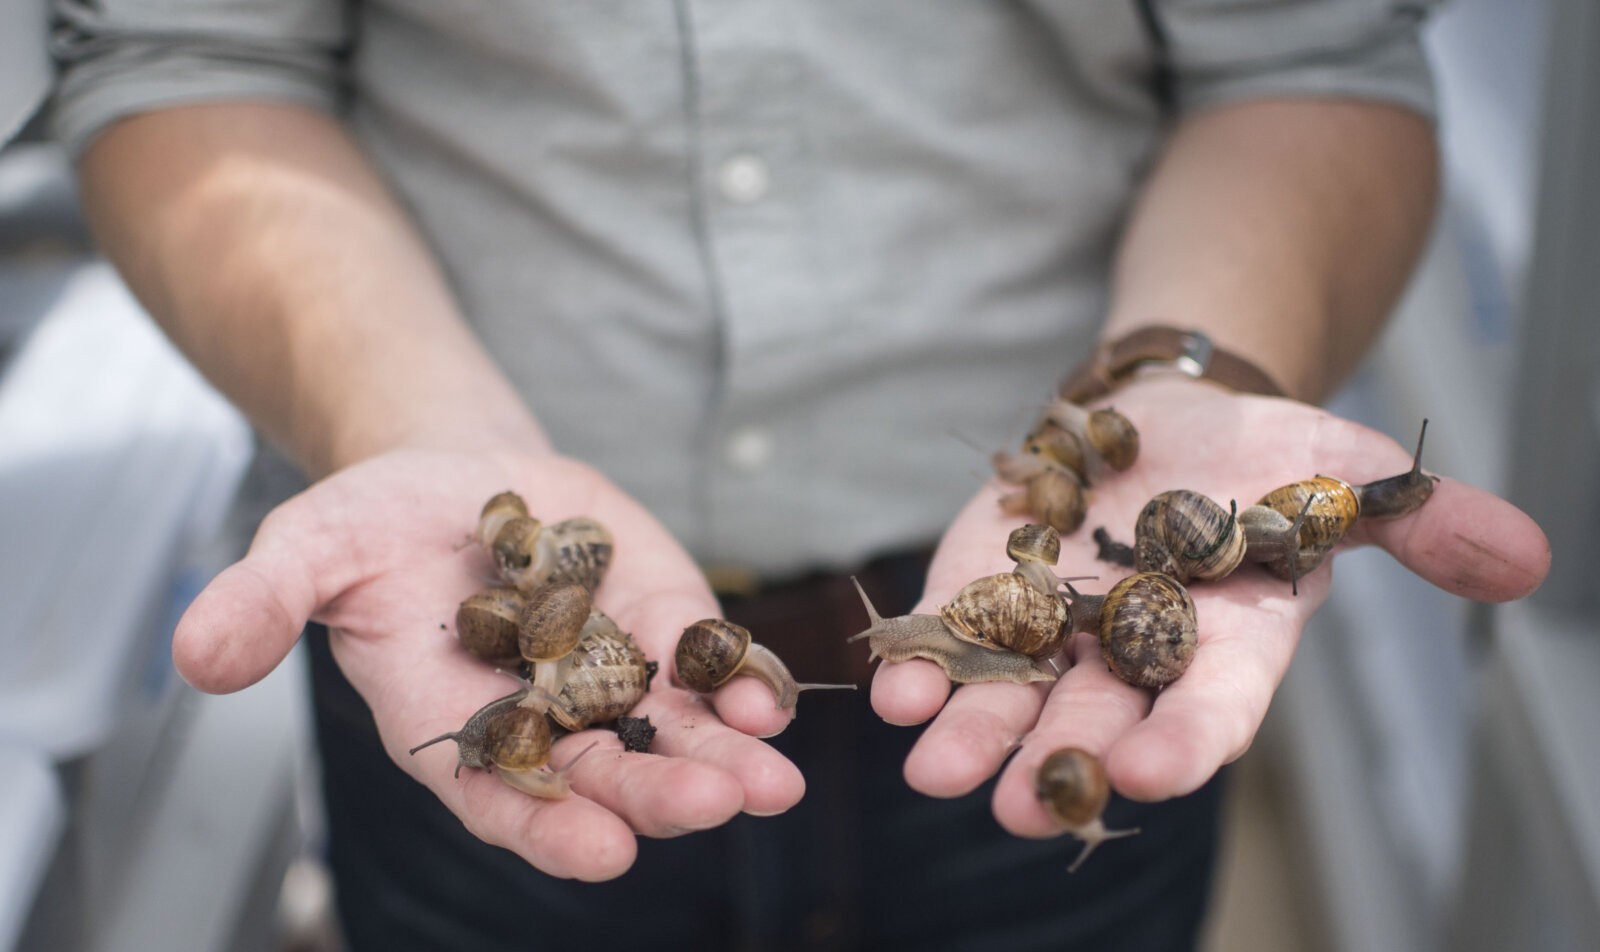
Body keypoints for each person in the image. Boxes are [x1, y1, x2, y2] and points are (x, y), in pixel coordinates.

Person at [49, 2, 1550, 949]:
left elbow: (1308, 53)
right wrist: (412, 427)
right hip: (425, 604)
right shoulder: (514, 654)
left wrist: (1184, 373)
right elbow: (188, 51)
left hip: (1017, 676)